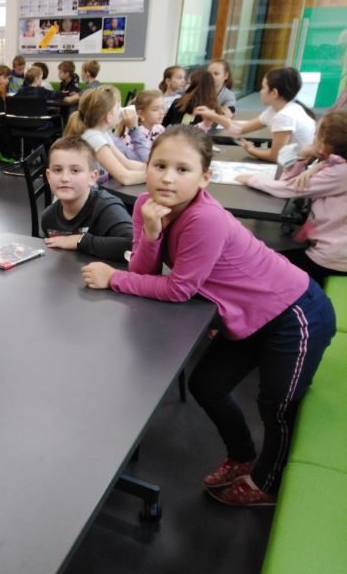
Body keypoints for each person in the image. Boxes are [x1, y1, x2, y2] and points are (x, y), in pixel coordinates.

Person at [81, 125, 336, 506]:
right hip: (252, 316)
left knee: (277, 406)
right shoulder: (146, 206)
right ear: (146, 168)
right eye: (159, 165)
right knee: (207, 385)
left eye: (182, 169)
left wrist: (113, 277)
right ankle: (242, 455)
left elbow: (178, 289)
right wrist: (150, 232)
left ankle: (266, 483)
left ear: (204, 178)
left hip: (296, 314)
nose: (168, 178)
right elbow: (145, 272)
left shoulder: (204, 219)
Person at [234, 110, 347, 285]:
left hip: (331, 258)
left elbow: (289, 188)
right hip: (330, 248)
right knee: (265, 258)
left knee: (262, 266)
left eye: (317, 136)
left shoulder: (339, 172)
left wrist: (251, 179)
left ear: (327, 145)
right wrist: (304, 161)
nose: (313, 141)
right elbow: (288, 182)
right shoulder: (333, 164)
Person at [194, 67, 316, 164]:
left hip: (298, 166)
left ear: (274, 93)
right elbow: (239, 129)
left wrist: (252, 151)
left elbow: (276, 157)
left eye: (263, 87)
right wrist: (213, 116)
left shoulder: (284, 116)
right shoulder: (276, 110)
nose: (261, 92)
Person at [41, 136, 133, 261]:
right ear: (48, 176)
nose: (64, 178)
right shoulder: (48, 218)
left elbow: (132, 245)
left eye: (75, 170)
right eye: (57, 170)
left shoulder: (107, 208)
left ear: (92, 177)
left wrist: (80, 240)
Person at [63, 85, 146, 185]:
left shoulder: (104, 134)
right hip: (87, 194)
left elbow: (126, 163)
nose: (121, 110)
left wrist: (154, 168)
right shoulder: (94, 138)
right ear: (109, 116)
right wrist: (155, 175)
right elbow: (125, 177)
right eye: (118, 108)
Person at [116, 89, 166, 163]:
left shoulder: (161, 129)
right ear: (140, 113)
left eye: (163, 108)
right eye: (155, 109)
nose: (161, 112)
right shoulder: (131, 136)